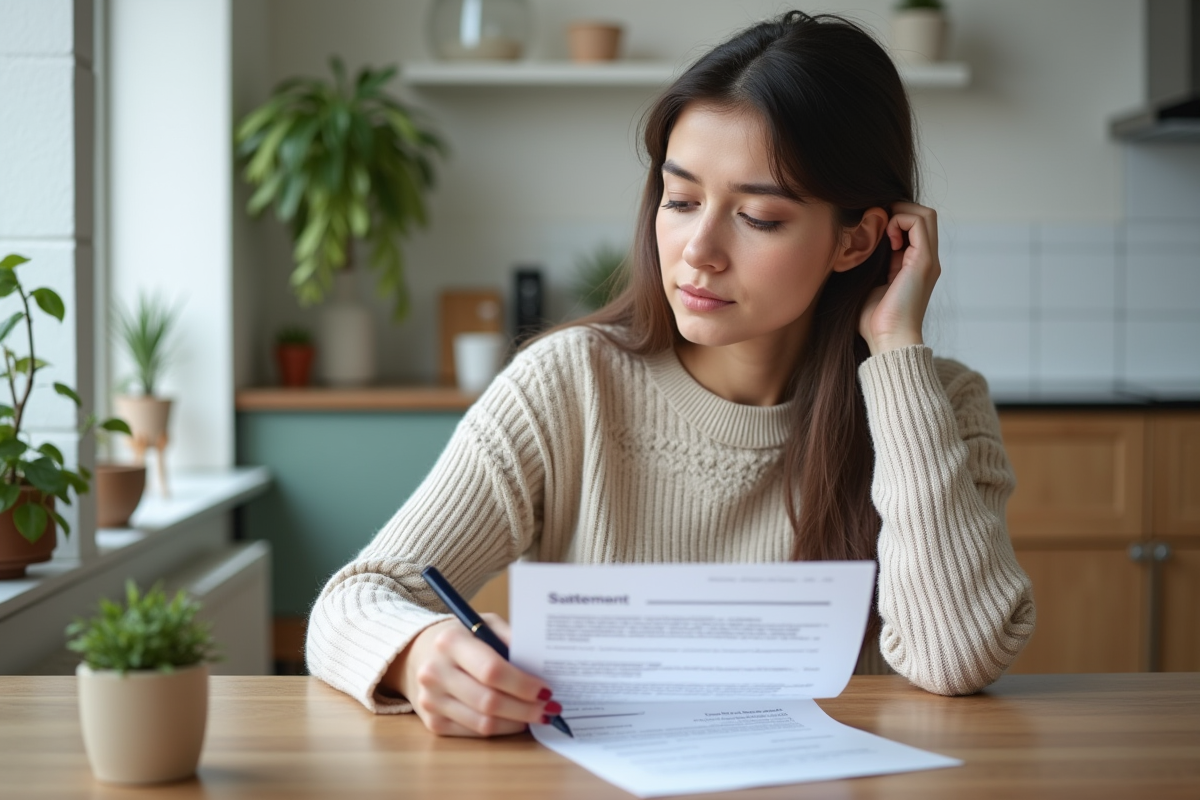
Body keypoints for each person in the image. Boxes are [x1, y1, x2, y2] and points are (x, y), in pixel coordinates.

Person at [307, 10, 1035, 738]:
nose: (698, 251)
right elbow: (353, 601)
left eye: (757, 217)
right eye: (680, 201)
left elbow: (957, 657)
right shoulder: (567, 385)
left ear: (857, 241)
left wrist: (896, 350)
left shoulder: (938, 404)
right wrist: (417, 651)